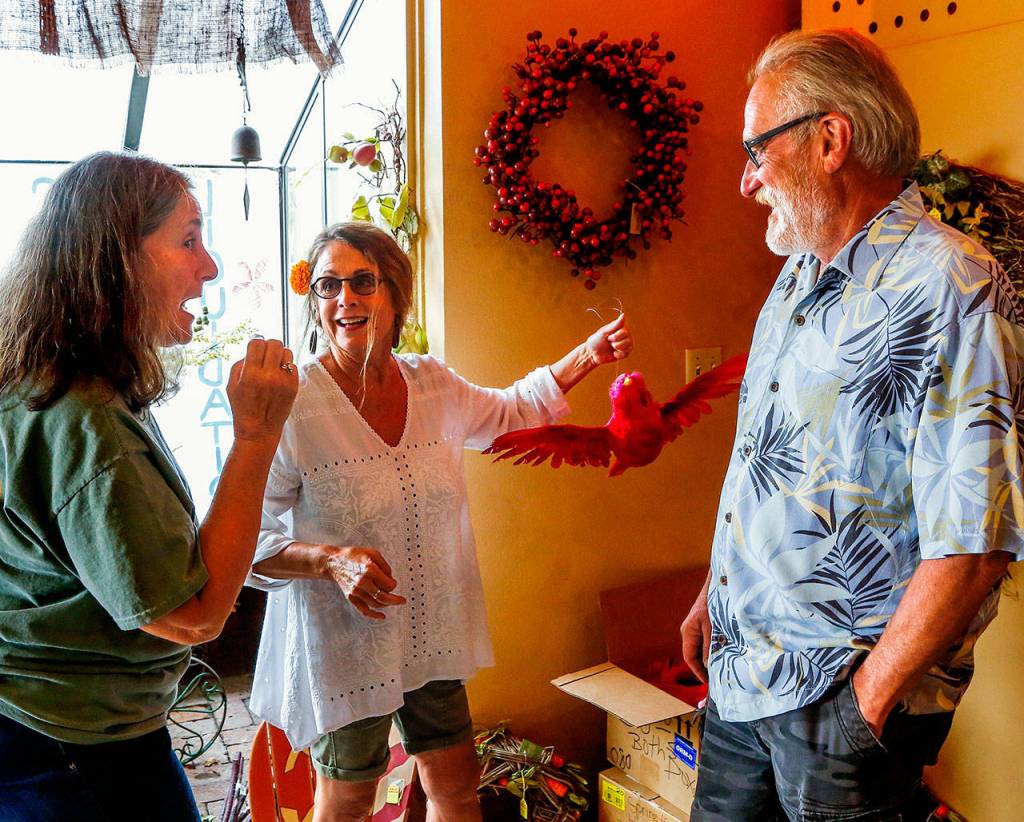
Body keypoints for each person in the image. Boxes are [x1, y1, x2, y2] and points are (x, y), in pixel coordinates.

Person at [680, 29, 1024, 821]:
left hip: (839, 710)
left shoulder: (953, 285)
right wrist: (716, 592)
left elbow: (975, 542)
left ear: (830, 139)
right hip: (741, 685)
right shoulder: (796, 275)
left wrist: (864, 709)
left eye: (756, 150)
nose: (747, 181)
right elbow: (771, 463)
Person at [247, 221, 633, 822]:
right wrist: (329, 561)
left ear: (396, 294)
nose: (343, 299)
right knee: (347, 800)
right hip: (345, 645)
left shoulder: (431, 384)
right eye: (327, 286)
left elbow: (511, 411)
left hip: (429, 630)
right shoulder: (296, 404)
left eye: (362, 282)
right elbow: (247, 533)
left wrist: (587, 355)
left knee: (455, 786)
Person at [0, 152, 297, 821]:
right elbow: (192, 615)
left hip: (38, 728)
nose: (210, 267)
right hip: (75, 750)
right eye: (188, 241)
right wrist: (255, 436)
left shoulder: (40, 380)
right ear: (114, 261)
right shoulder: (88, 422)